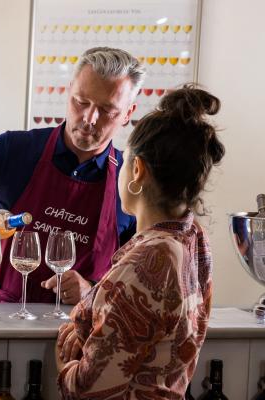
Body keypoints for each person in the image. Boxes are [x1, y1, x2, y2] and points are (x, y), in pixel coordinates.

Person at [0, 47, 145, 304]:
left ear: (128, 113)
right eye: (81, 102)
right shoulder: (14, 148)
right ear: (68, 91)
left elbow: (138, 279)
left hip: (80, 333)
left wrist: (93, 291)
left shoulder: (133, 179)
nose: (89, 118)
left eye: (106, 109)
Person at [55, 85, 224, 399]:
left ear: (136, 170)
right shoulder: (195, 239)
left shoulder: (148, 259)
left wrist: (66, 358)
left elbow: (84, 391)